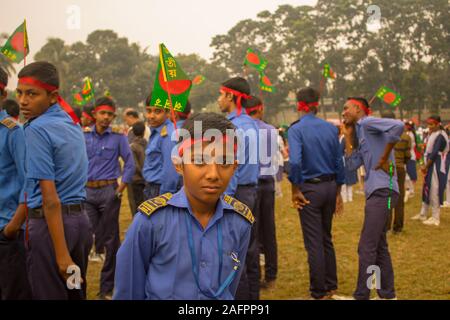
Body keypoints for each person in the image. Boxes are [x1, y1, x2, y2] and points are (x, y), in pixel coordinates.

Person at [114, 113, 253, 300]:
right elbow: (128, 291)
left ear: (235, 167)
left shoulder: (240, 222)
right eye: (199, 161)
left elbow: (231, 285)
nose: (213, 174)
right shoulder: (150, 222)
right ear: (179, 166)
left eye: (224, 162)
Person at [16, 61, 92, 300]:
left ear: (52, 96)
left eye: (32, 94)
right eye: (19, 93)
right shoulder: (71, 124)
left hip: (53, 229)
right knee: (74, 291)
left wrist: (60, 255)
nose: (23, 101)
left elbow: (50, 199)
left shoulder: (36, 129)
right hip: (79, 224)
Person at [341, 97, 403, 300]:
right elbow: (351, 165)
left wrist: (385, 157)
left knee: (366, 246)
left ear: (358, 109)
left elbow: (398, 126)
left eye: (345, 109)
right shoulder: (360, 131)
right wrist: (349, 137)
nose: (343, 113)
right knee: (379, 244)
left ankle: (362, 295)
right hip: (379, 192)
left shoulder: (367, 122)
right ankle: (387, 294)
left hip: (383, 192)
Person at [288, 87, 345, 300]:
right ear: (317, 105)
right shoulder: (330, 129)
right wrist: (338, 191)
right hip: (330, 186)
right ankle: (331, 285)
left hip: (310, 188)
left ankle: (318, 291)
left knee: (314, 242)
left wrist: (295, 188)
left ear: (298, 105)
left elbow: (294, 161)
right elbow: (339, 162)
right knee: (326, 238)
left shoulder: (296, 129)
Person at [83, 96, 135, 299]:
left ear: (113, 117)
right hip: (86, 193)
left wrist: (120, 188)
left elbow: (129, 163)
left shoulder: (118, 137)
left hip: (109, 192)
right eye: (102, 113)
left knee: (112, 239)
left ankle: (106, 287)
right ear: (95, 113)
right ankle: (78, 284)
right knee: (87, 237)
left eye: (110, 114)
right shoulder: (83, 136)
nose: (106, 118)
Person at [217, 77, 260, 300]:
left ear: (231, 96)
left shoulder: (232, 126)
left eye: (220, 94)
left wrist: (225, 199)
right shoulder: (252, 123)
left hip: (237, 193)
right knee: (250, 251)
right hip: (252, 191)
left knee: (234, 254)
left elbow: (231, 168)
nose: (218, 99)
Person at [0, 67, 32, 300]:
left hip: (6, 230)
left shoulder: (13, 132)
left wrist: (12, 227)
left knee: (12, 292)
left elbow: (29, 182)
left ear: (3, 95)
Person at [244, 96, 278, 289]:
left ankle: (254, 276)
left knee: (252, 232)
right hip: (268, 183)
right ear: (261, 109)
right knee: (269, 230)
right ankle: (271, 275)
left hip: (252, 183)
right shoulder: (271, 130)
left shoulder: (244, 130)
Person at [411, 116, 449, 226]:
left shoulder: (441, 135)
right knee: (426, 188)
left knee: (434, 189)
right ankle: (423, 213)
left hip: (436, 164)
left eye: (432, 124)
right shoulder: (432, 133)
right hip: (430, 162)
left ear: (438, 124)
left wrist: (426, 166)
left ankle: (435, 217)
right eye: (428, 124)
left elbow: (435, 152)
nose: (429, 127)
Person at [142, 93, 180, 199]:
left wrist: (165, 197)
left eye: (157, 111)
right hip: (152, 188)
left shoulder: (167, 134)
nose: (151, 116)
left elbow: (171, 171)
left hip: (160, 190)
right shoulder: (156, 131)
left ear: (168, 113)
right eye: (149, 111)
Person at [381, 111, 411, 234]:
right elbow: (408, 156)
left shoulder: (381, 135)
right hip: (399, 168)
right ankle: (398, 226)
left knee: (388, 198)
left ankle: (386, 226)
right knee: (399, 197)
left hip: (386, 169)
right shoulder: (405, 136)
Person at [128, 121, 148, 216]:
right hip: (146, 180)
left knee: (135, 206)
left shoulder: (132, 146)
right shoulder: (148, 144)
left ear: (133, 132)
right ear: (144, 131)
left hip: (136, 180)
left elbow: (135, 165)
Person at [339, 125, 358, 203]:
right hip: (349, 160)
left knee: (346, 181)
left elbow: (340, 150)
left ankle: (347, 198)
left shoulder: (345, 138)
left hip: (346, 161)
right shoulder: (350, 137)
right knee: (347, 181)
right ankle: (348, 198)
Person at [404, 121, 418, 201]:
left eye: (406, 125)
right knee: (408, 175)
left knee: (409, 175)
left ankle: (411, 190)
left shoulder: (409, 135)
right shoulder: (409, 134)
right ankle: (410, 190)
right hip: (409, 156)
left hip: (410, 156)